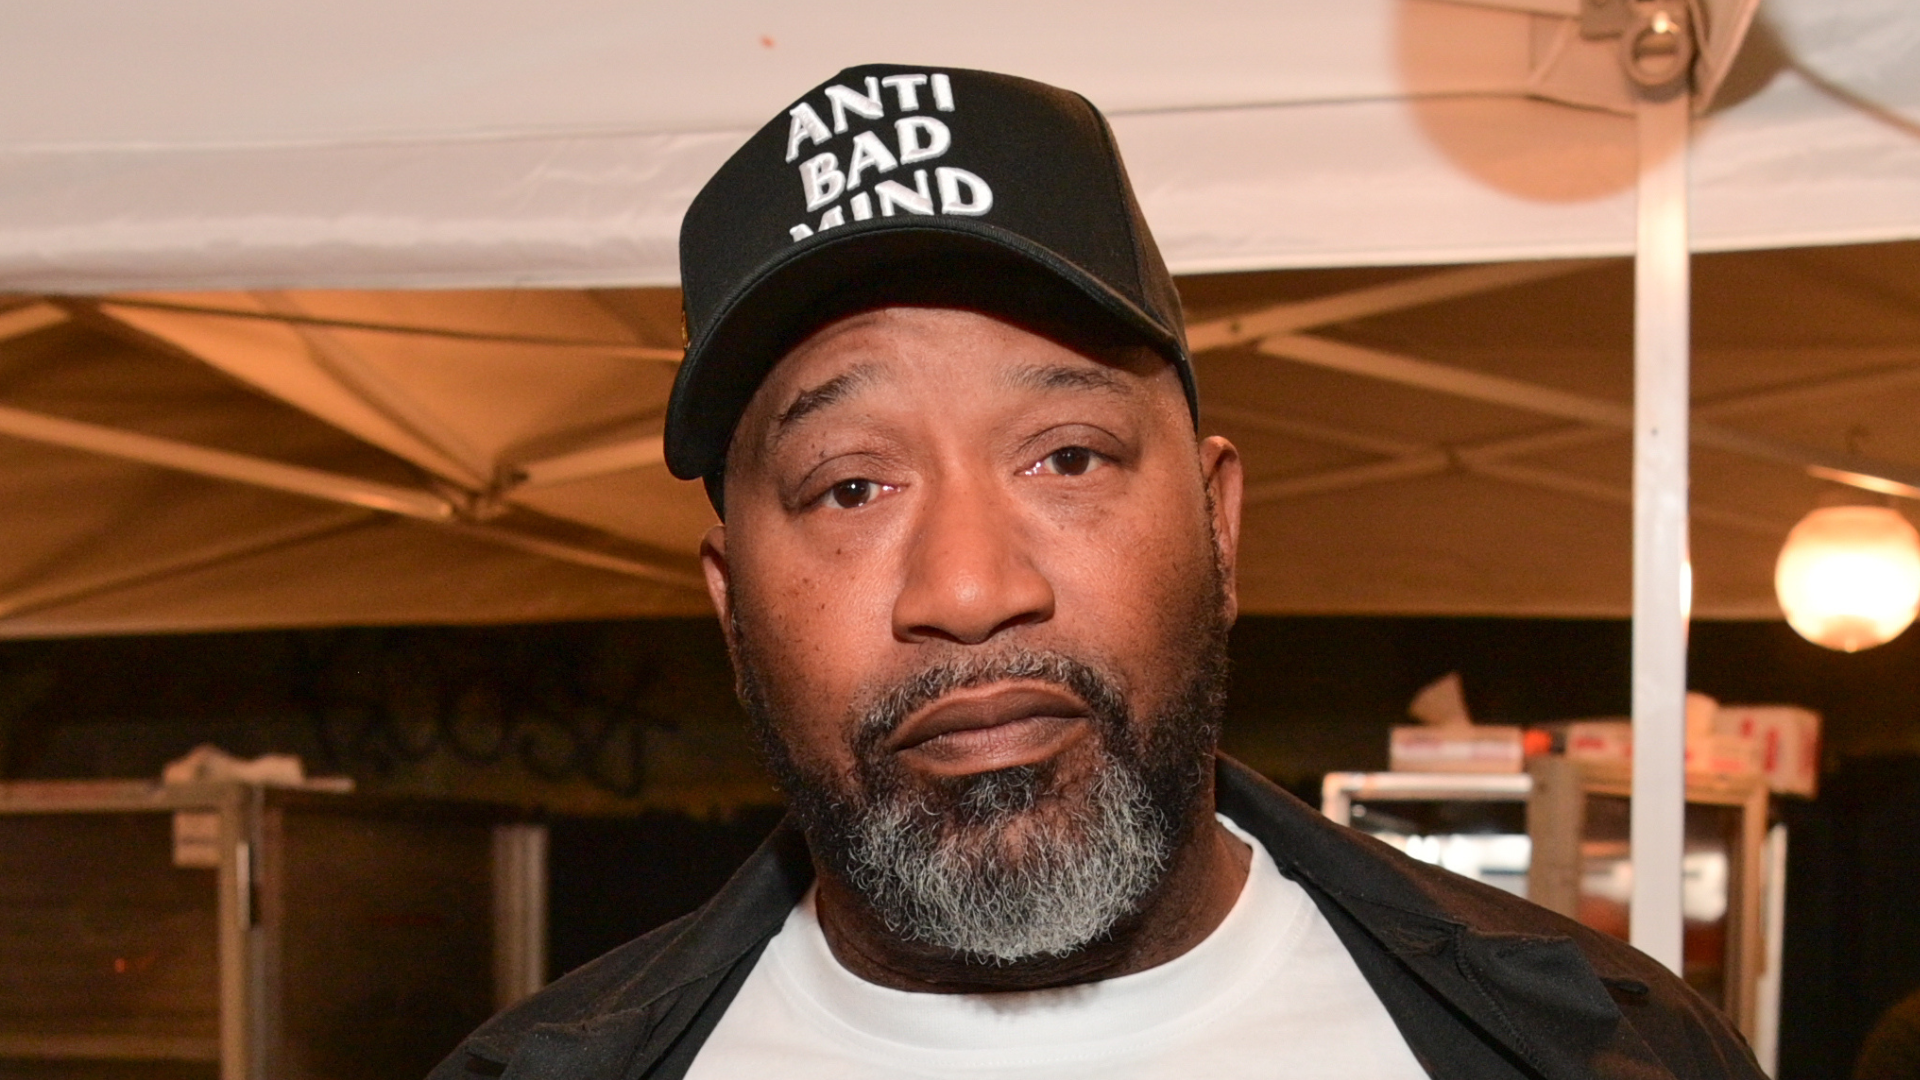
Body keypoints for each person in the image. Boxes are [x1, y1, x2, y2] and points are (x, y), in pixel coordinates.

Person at [431, 64, 1763, 1080]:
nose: (969, 588)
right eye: (851, 486)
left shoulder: (1607, 1049)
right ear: (731, 609)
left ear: (1218, 527)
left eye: (1065, 457)